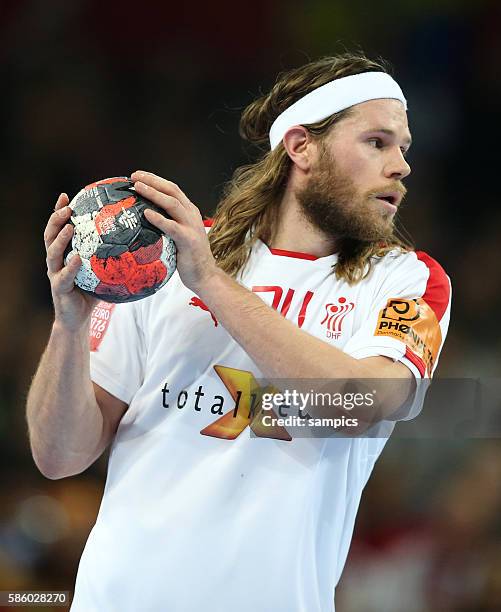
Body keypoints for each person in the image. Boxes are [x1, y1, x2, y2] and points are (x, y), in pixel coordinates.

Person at [27, 52, 451, 612]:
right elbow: (59, 457)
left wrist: (210, 281)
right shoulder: (159, 261)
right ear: (301, 147)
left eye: (403, 147)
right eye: (377, 142)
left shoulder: (408, 280)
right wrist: (69, 324)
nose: (401, 165)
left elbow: (361, 403)